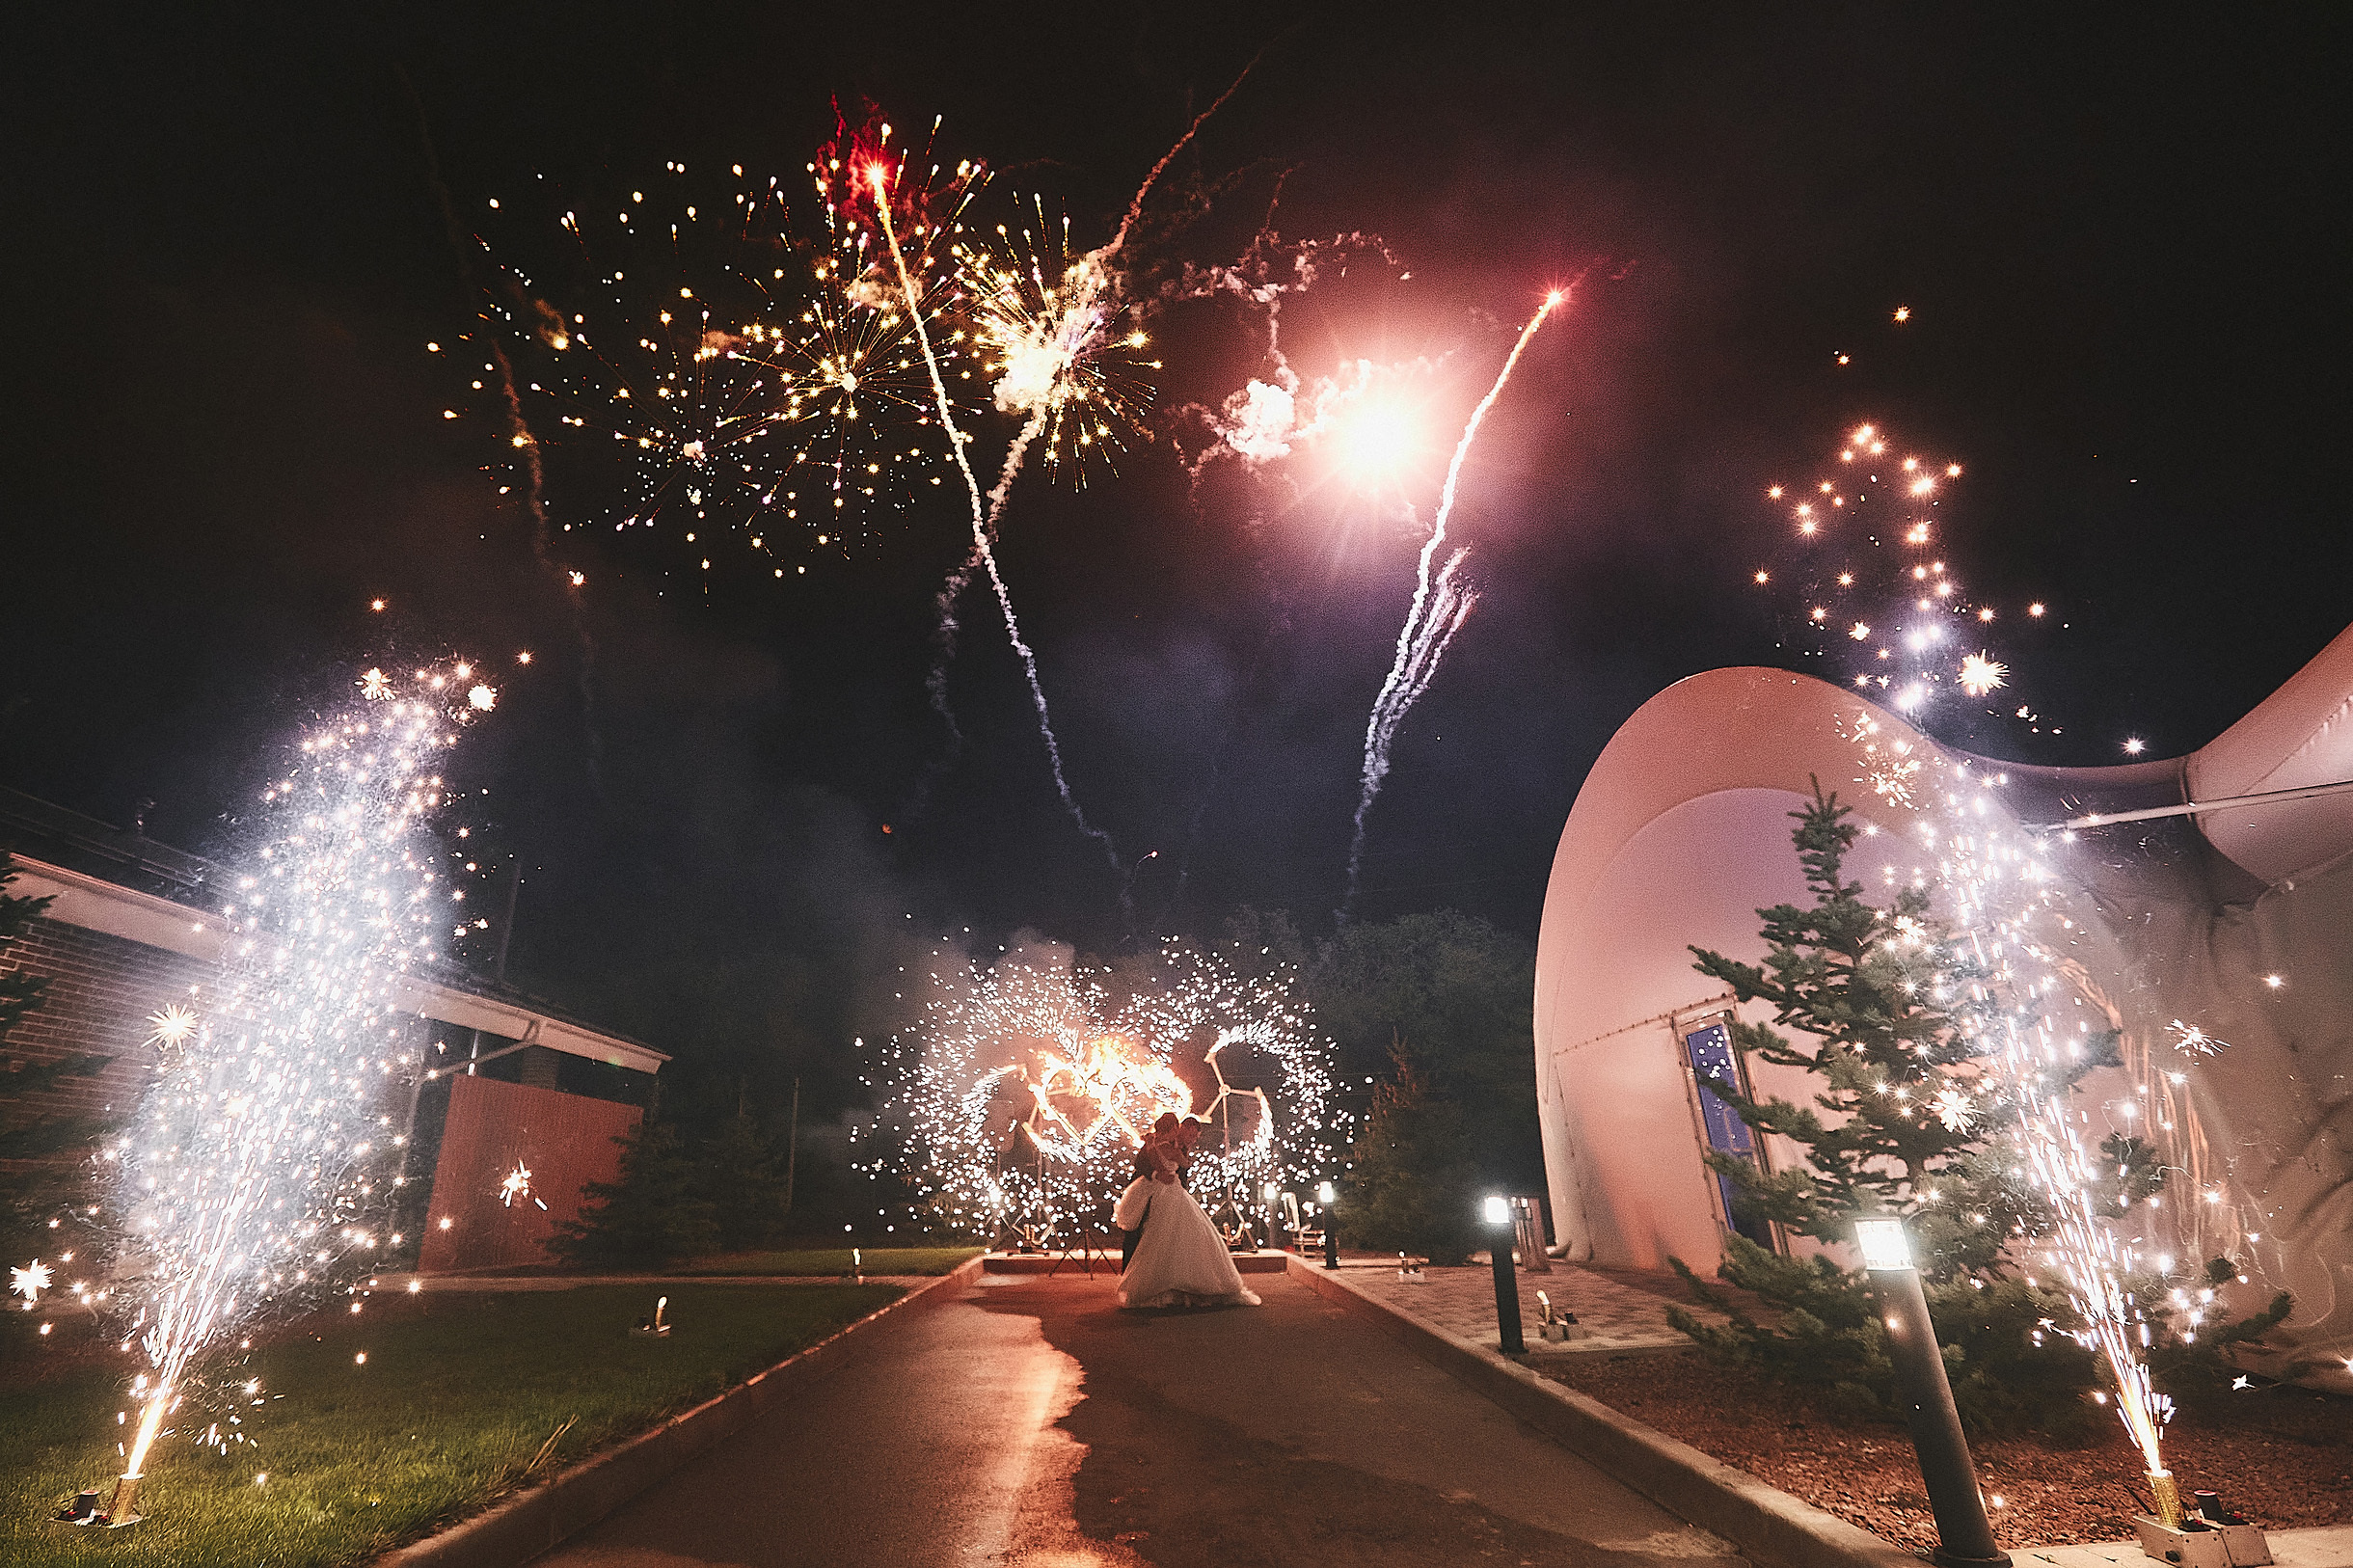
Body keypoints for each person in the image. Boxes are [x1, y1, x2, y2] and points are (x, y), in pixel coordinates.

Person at [1116, 1135, 1260, 1311]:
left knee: (1159, 1235)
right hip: (1170, 1192)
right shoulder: (1172, 1149)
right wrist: (1182, 1153)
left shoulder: (1153, 1147)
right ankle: (1190, 1283)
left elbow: (1156, 1165)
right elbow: (1185, 1164)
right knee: (1186, 1231)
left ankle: (1157, 1282)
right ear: (1171, 1129)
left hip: (1159, 1193)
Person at [1117, 1113, 1182, 1270]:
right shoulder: (1152, 1142)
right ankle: (1129, 1269)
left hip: (1166, 1192)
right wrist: (1156, 1175)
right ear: (1173, 1127)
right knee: (1137, 1229)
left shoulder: (1173, 1143)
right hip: (1145, 1189)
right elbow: (1140, 1164)